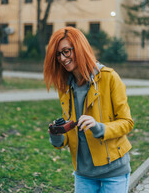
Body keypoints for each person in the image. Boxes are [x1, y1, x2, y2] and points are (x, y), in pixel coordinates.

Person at [44, 27, 134, 193]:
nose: (62, 58)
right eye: (58, 54)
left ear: (79, 47)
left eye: (66, 51)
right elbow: (71, 134)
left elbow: (127, 123)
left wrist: (99, 127)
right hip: (83, 174)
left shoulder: (109, 78)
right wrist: (56, 136)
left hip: (113, 172)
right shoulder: (65, 88)